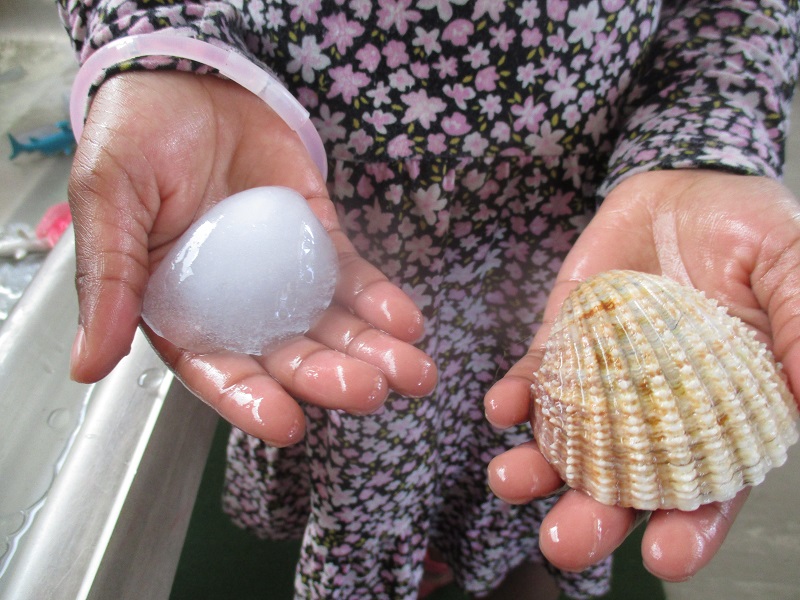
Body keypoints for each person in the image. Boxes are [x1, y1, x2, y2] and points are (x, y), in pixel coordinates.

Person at [57, 1, 800, 598]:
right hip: (319, 194)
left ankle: (492, 563)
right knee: (368, 452)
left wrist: (706, 130)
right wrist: (158, 46)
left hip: (572, 232)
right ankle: (416, 561)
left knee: (524, 451)